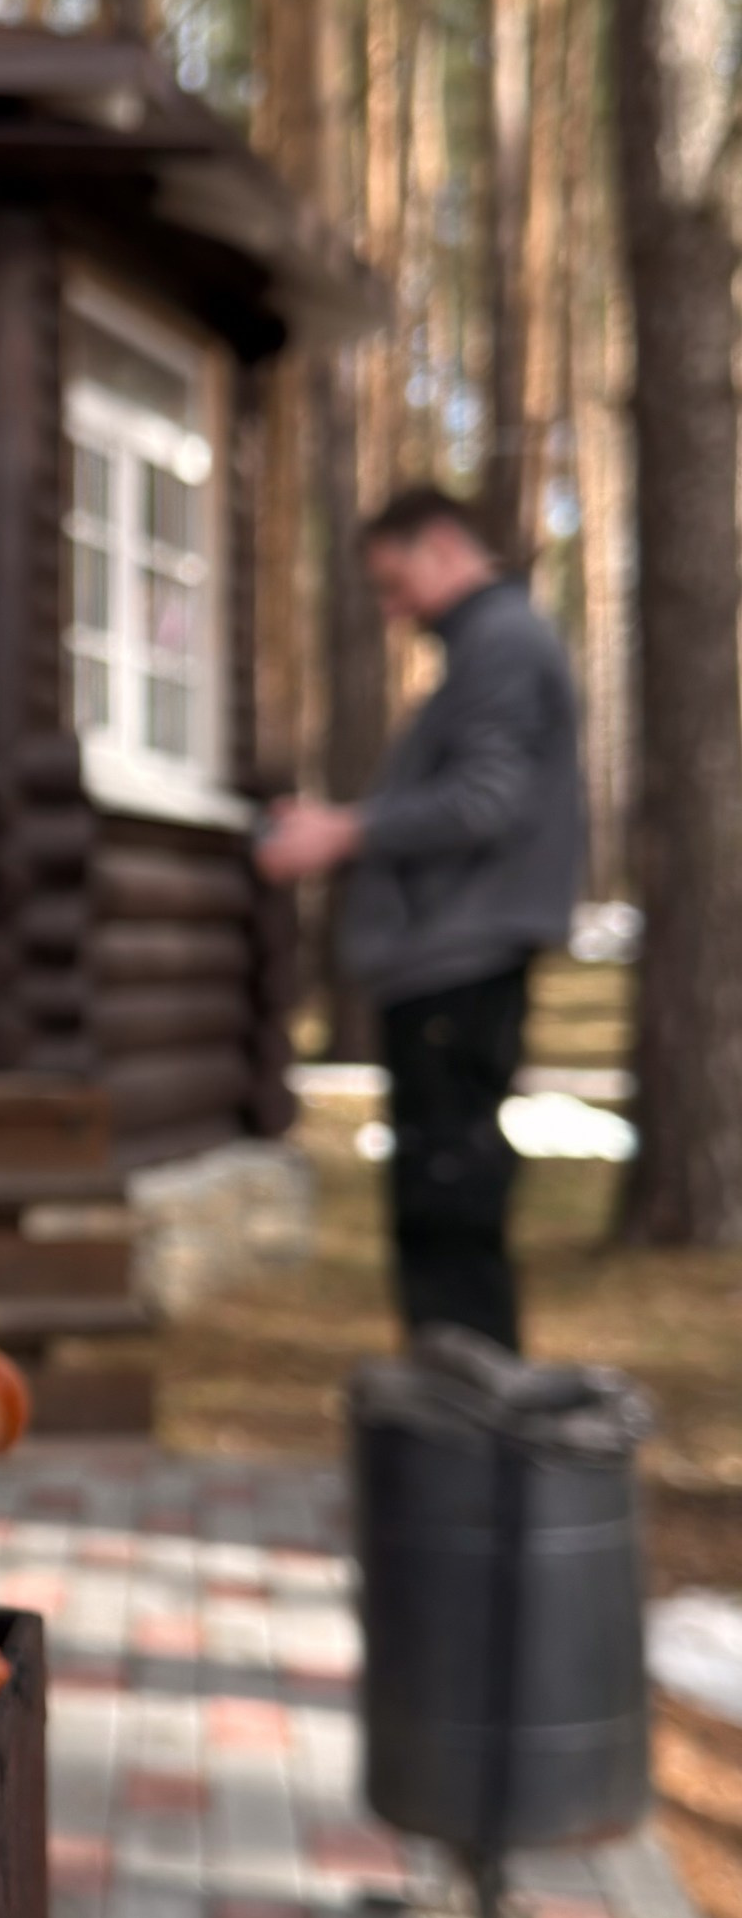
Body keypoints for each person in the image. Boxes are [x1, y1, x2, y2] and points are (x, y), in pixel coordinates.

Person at [256, 481, 584, 1352]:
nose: (394, 610)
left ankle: (464, 1408)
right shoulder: (487, 648)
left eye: (396, 582)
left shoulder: (503, 645)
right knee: (445, 1184)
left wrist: (344, 832)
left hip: (462, 959)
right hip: (450, 957)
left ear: (443, 547)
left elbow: (485, 800)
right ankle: (458, 1404)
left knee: (450, 1189)